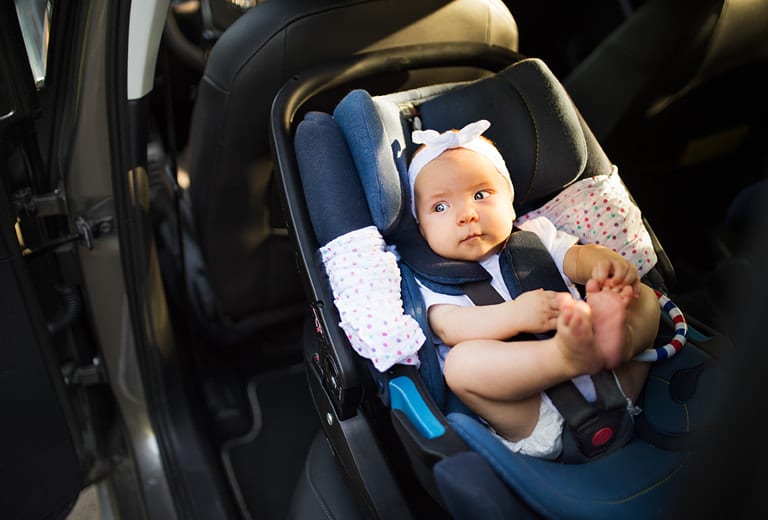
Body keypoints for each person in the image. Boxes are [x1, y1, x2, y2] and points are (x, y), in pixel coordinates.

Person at [409, 119, 661, 459]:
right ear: (422, 230)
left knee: (644, 296)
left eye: (480, 195)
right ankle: (563, 357)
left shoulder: (535, 237)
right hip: (535, 415)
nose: (466, 214)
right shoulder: (432, 278)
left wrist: (602, 264)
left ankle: (618, 342)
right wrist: (514, 316)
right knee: (461, 365)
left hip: (617, 378)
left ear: (511, 204)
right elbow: (448, 326)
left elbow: (575, 257)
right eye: (440, 207)